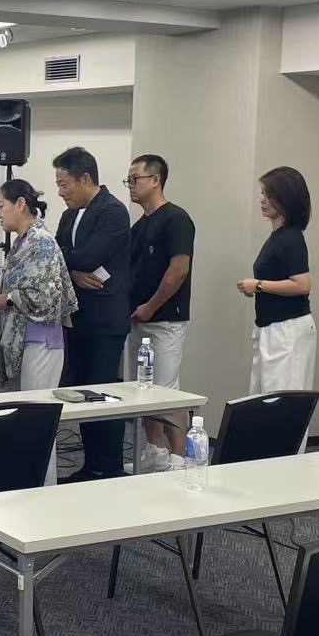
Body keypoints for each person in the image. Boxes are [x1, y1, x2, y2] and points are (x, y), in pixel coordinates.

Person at [0, 179, 76, 483]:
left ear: (21, 204)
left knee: (38, 419)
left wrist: (7, 298)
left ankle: (42, 489)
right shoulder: (23, 243)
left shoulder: (41, 241)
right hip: (23, 338)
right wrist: (0, 298)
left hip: (40, 340)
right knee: (23, 418)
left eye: (2, 206)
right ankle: (24, 485)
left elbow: (47, 296)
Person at [53, 146, 131, 481]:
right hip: (77, 318)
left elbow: (89, 256)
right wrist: (73, 272)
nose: (60, 192)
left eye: (64, 184)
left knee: (102, 394)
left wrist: (72, 262)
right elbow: (55, 253)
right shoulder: (69, 214)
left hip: (104, 320)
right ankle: (91, 465)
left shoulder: (113, 211)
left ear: (85, 178)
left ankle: (108, 467)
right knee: (81, 393)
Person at [126, 154, 195, 470]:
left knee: (167, 392)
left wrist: (151, 306)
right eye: (128, 180)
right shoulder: (139, 226)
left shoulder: (176, 219)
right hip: (138, 321)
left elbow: (179, 269)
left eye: (135, 179)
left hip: (166, 320)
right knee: (143, 390)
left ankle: (179, 458)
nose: (131, 185)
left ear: (155, 180)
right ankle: (155, 452)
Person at [239, 166, 316, 394]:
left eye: (269, 194)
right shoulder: (277, 237)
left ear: (286, 199)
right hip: (271, 327)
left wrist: (258, 285)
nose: (262, 199)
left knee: (283, 399)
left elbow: (302, 285)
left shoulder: (291, 237)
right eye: (263, 193)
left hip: (287, 328)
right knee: (264, 396)